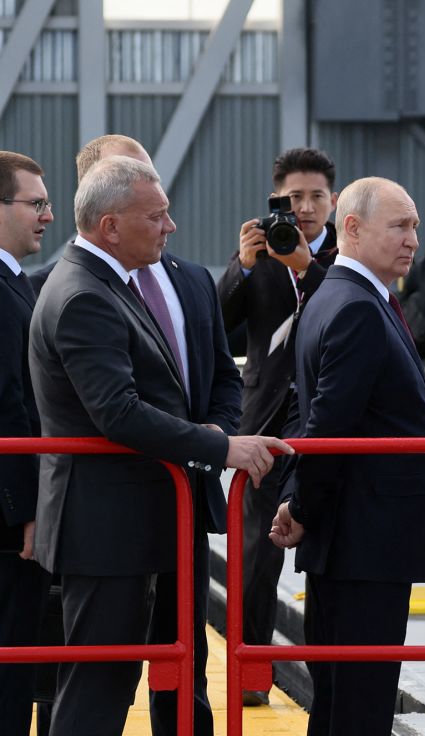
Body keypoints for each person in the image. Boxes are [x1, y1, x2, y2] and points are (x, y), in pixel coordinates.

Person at [29, 155, 291, 736]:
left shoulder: (102, 283)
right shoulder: (84, 296)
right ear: (110, 227)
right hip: (107, 528)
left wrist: (214, 436)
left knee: (143, 679)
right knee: (98, 690)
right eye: (158, 215)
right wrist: (223, 448)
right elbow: (118, 412)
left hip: (135, 520)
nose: (170, 226)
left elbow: (198, 380)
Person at [72, 133, 244, 736]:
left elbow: (223, 375)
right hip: (109, 514)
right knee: (100, 676)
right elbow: (97, 409)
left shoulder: (192, 278)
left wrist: (218, 431)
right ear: (105, 205)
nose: (168, 219)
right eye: (149, 200)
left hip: (183, 502)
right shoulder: (71, 287)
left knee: (185, 658)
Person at [269, 177, 425, 736]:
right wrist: (301, 505)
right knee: (360, 703)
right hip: (365, 539)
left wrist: (300, 499)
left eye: (415, 225)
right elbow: (330, 426)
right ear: (352, 227)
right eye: (400, 225)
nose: (414, 239)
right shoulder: (356, 306)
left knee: (342, 698)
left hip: (355, 538)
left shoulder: (337, 296)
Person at [216, 147, 338, 705]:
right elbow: (216, 323)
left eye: (316, 196)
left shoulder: (346, 254)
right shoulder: (261, 255)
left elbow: (346, 307)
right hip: (262, 421)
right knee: (253, 561)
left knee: (327, 556)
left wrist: (307, 267)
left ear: (335, 201)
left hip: (322, 420)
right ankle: (250, 678)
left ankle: (329, 676)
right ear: (276, 201)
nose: (305, 207)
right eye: (294, 198)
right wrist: (242, 267)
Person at [0, 151, 53, 736]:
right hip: (9, 523)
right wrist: (27, 515)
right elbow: (10, 407)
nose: (48, 215)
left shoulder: (15, 284)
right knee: (11, 670)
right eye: (35, 203)